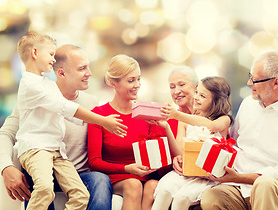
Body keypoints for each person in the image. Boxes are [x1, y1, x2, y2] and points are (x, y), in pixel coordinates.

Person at [0, 33, 126, 209]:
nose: (89, 73)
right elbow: (7, 132)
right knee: (42, 184)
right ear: (61, 73)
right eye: (82, 68)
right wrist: (6, 167)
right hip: (41, 166)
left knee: (100, 180)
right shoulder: (34, 94)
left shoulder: (90, 102)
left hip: (72, 170)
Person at [200, 51, 278, 210]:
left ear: (276, 83)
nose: (248, 82)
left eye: (255, 79)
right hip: (240, 187)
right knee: (212, 197)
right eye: (249, 76)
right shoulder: (248, 104)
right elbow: (232, 143)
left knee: (264, 184)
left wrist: (240, 177)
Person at [88, 54, 167, 210]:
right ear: (112, 83)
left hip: (145, 175)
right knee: (133, 185)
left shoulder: (147, 112)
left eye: (139, 79)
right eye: (131, 80)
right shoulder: (99, 115)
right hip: (118, 177)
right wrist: (126, 169)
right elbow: (94, 162)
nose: (137, 84)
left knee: (153, 186)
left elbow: (159, 154)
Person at [152, 76, 233, 210]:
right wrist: (166, 127)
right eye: (196, 92)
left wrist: (176, 115)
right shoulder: (186, 119)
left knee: (181, 199)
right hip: (186, 173)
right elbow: (179, 151)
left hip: (207, 177)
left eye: (202, 95)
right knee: (164, 192)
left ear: (216, 100)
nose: (196, 97)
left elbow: (211, 126)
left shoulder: (223, 120)